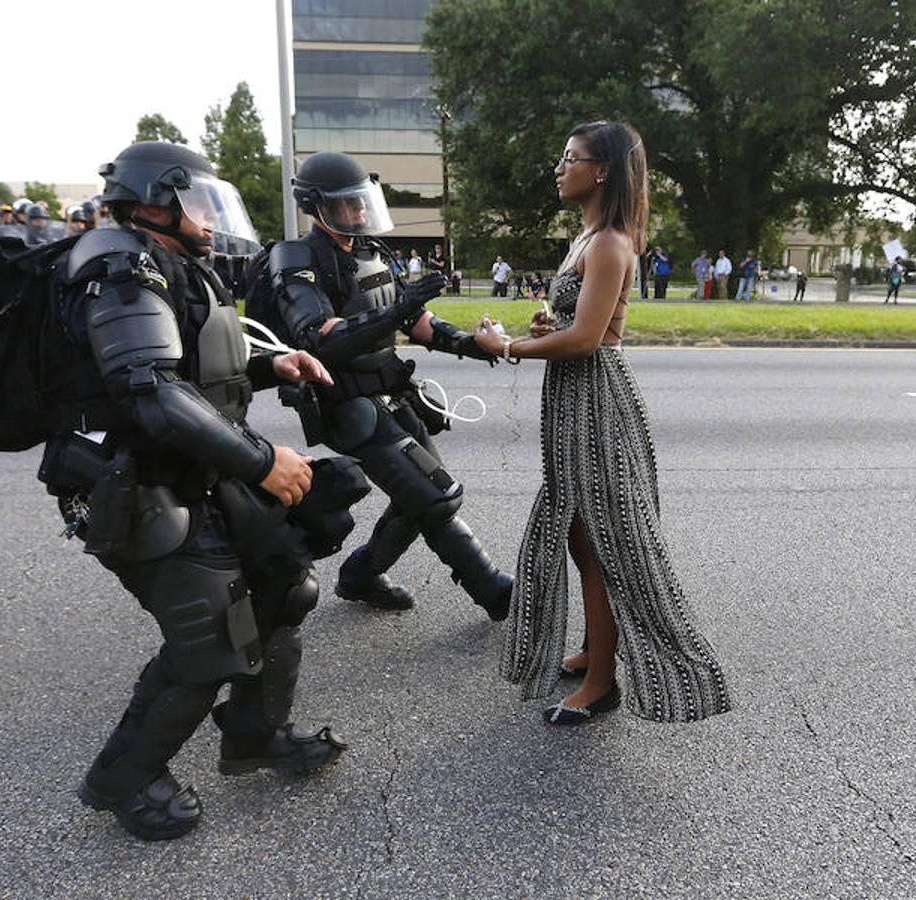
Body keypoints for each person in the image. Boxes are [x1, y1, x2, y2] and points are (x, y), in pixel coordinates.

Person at [24, 141, 348, 842]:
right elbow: (151, 392)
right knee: (210, 637)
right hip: (135, 483)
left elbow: (193, 367)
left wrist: (270, 365)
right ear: (154, 200)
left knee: (285, 584)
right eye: (196, 199)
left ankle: (256, 733)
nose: (208, 215)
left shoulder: (168, 263)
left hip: (195, 470)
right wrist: (264, 462)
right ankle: (124, 778)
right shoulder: (118, 267)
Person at [473, 121, 731, 726]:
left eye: (571, 158)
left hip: (597, 402)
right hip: (573, 399)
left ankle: (602, 681)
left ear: (603, 171)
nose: (560, 168)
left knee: (604, 541)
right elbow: (574, 324)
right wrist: (546, 326)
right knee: (576, 532)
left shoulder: (612, 242)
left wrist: (506, 346)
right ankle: (596, 648)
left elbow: (589, 339)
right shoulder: (586, 238)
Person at [269, 150, 514, 619]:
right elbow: (318, 339)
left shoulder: (370, 253)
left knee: (419, 496)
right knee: (435, 495)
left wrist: (473, 345)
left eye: (362, 202)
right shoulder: (296, 258)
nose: (360, 212)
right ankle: (495, 592)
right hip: (346, 404)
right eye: (348, 204)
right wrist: (398, 311)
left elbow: (417, 321)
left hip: (391, 394)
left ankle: (360, 575)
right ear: (316, 206)